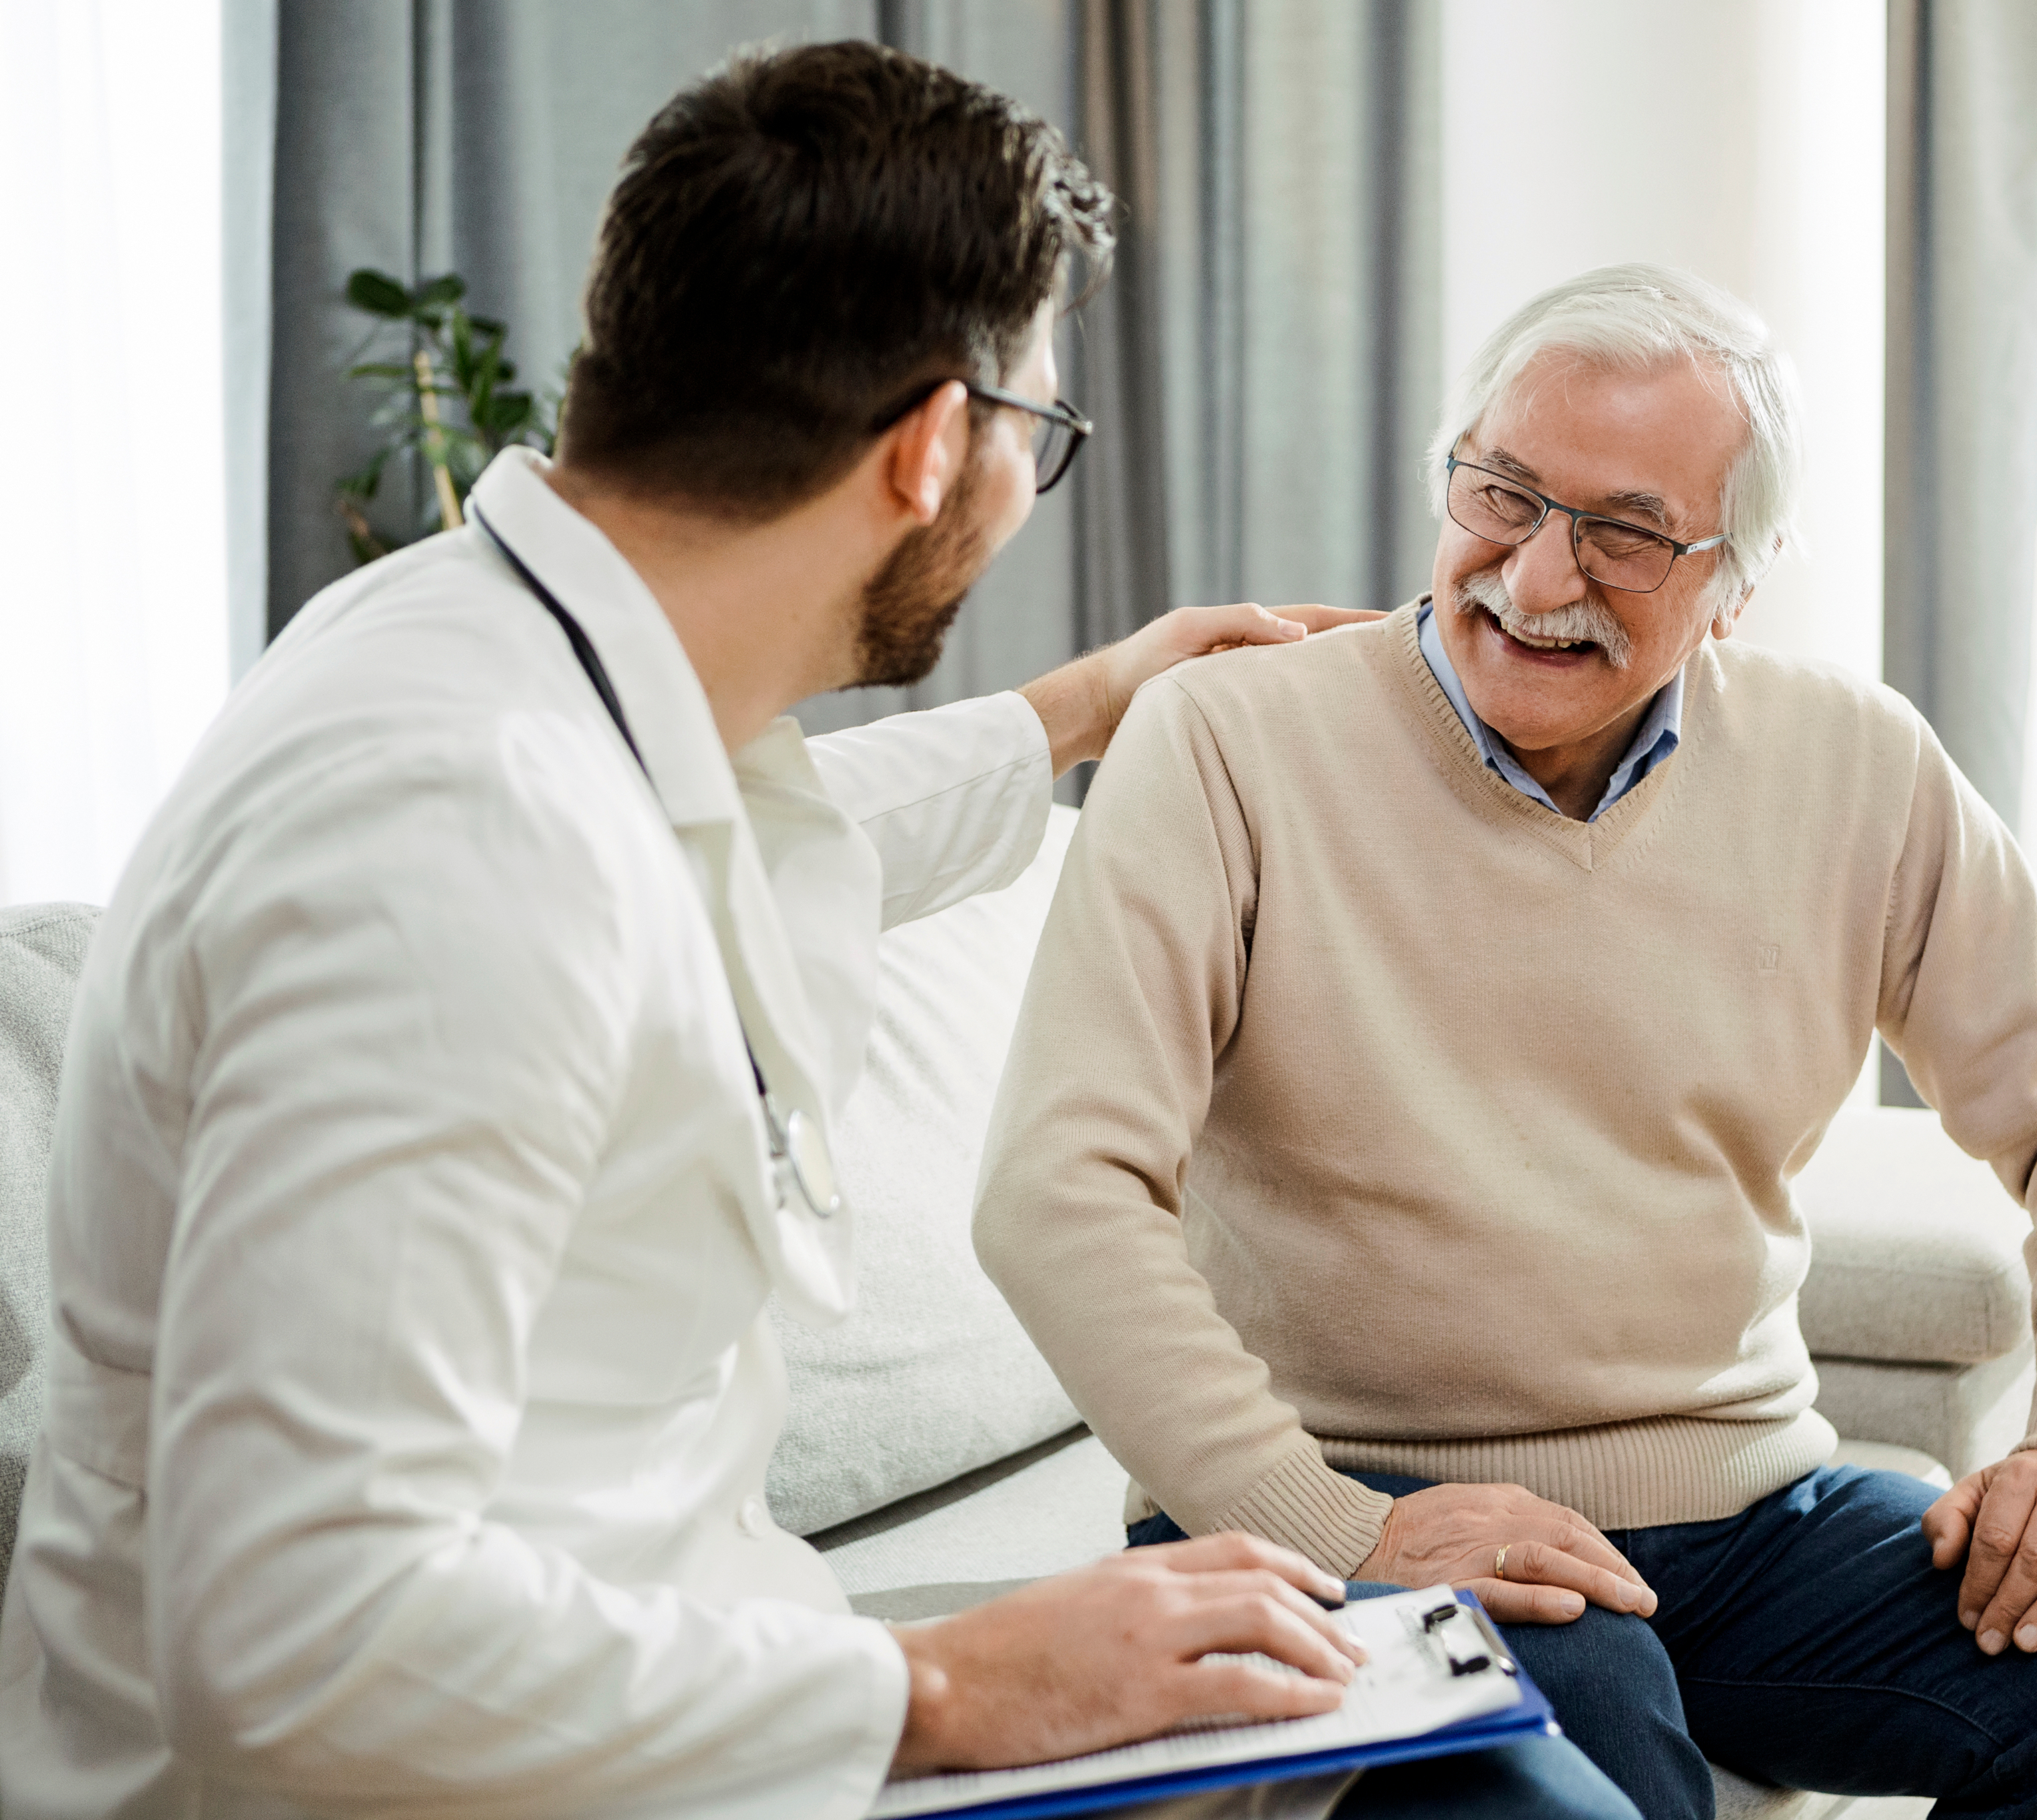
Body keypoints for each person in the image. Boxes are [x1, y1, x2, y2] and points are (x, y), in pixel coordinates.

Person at [0, 45, 1632, 1820]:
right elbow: (294, 1636)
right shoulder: (452, 836)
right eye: (1046, 440)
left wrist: (1086, 704)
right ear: (940, 445)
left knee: (1472, 1719)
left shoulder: (488, 661)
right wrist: (948, 1680)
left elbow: (716, 844)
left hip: (692, 1680)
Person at [974, 264, 2037, 1819]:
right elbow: (1057, 1189)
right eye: (1499, 493)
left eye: (1626, 533)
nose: (1536, 572)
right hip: (1340, 1515)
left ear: (1736, 582)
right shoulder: (1224, 742)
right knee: (1590, 1763)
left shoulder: (1852, 763)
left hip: (1742, 1519)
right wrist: (1336, 1525)